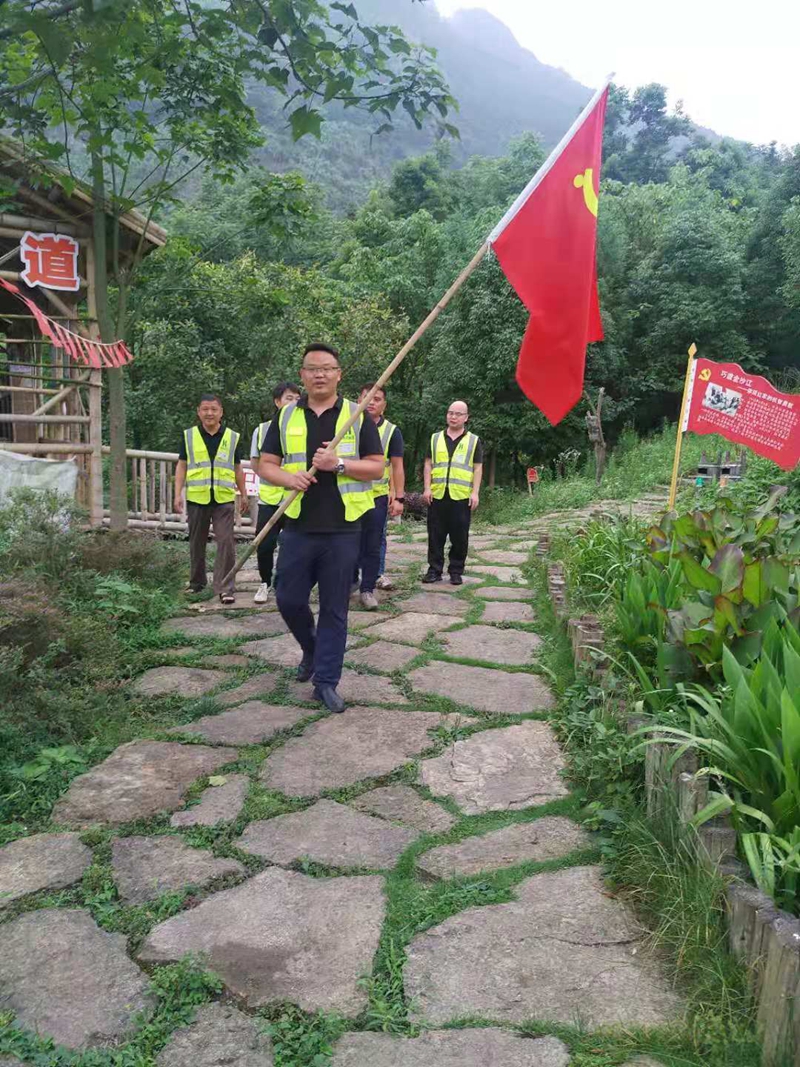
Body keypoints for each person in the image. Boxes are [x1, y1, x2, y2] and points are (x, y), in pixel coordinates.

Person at [259, 343, 384, 714]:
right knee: (288, 598)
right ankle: (311, 649)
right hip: (297, 523)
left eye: (327, 368)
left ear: (338, 374)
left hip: (344, 527)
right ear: (302, 375)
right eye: (312, 368)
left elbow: (376, 466)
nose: (319, 374)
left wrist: (339, 464)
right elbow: (265, 464)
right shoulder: (284, 418)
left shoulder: (356, 415)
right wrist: (287, 478)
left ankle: (326, 681)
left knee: (334, 609)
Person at [175, 393, 246, 604]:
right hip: (198, 498)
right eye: (205, 409)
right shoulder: (189, 436)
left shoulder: (232, 437)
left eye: (214, 409)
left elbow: (237, 468)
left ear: (221, 412)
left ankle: (225, 587)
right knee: (196, 542)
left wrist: (242, 493)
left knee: (226, 542)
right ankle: (197, 583)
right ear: (199, 412)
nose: (209, 413)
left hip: (223, 498)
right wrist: (178, 493)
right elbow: (182, 465)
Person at [352, 383, 405, 607]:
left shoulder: (391, 431)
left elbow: (397, 466)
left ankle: (367, 590)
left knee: (373, 544)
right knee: (348, 543)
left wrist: (399, 497)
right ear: (358, 400)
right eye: (367, 398)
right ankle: (349, 583)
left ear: (384, 405)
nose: (371, 402)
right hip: (350, 496)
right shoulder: (347, 426)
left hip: (376, 497)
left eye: (377, 399)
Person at [249, 381, 302, 604]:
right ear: (277, 401)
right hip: (270, 498)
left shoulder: (301, 427)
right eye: (289, 398)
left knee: (292, 545)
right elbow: (255, 463)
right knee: (265, 543)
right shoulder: (262, 430)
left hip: (295, 499)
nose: (294, 403)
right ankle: (264, 582)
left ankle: (286, 583)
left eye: (297, 399)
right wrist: (273, 477)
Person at [421, 399, 483, 585]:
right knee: (435, 535)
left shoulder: (473, 441)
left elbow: (478, 468)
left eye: (458, 414)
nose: (453, 416)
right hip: (438, 495)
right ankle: (434, 570)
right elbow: (427, 464)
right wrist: (426, 488)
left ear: (466, 418)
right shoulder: (435, 438)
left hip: (461, 496)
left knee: (459, 536)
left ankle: (456, 571)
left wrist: (475, 492)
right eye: (450, 413)